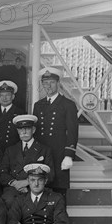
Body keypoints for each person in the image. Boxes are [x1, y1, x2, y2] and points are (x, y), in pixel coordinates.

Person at [0, 164, 72, 224]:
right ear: (28, 181)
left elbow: (62, 221)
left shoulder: (56, 197)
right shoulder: (20, 199)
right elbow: (12, 219)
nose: (36, 184)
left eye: (40, 180)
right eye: (33, 180)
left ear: (45, 181)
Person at [33, 67, 79, 198]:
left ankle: (60, 219)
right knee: (40, 190)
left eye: (52, 82)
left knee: (59, 192)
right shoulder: (38, 105)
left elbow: (72, 132)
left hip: (59, 154)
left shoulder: (68, 104)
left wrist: (69, 155)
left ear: (58, 83)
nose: (48, 86)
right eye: (45, 83)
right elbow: (35, 132)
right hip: (41, 154)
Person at [0, 115, 54, 209]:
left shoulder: (44, 150)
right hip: (14, 187)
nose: (24, 132)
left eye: (27, 129)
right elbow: (2, 173)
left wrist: (27, 182)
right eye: (21, 129)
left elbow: (51, 175)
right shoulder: (10, 150)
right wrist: (15, 183)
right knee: (8, 200)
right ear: (17, 131)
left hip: (36, 187)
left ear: (33, 130)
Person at [0, 80, 25, 152]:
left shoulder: (20, 113)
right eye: (1, 95)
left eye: (7, 95)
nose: (4, 98)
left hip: (14, 152)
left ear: (13, 96)